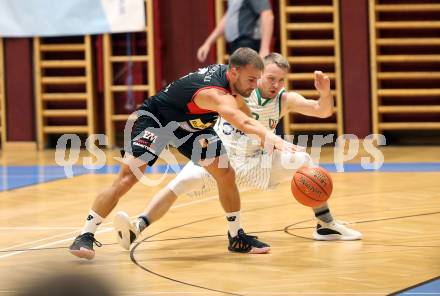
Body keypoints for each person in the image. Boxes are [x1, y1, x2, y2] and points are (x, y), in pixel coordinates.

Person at [113, 53, 362, 252]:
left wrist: (325, 93)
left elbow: (322, 111)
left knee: (305, 161)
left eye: (281, 80)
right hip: (222, 158)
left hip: (258, 162)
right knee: (179, 183)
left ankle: (325, 225)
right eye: (271, 78)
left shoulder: (284, 99)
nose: (276, 85)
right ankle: (137, 226)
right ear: (258, 75)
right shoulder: (236, 91)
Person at [69, 48, 302, 260]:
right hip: (158, 120)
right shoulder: (214, 93)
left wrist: (262, 130)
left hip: (193, 127)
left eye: (256, 79)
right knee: (129, 175)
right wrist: (269, 136)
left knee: (225, 173)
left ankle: (236, 236)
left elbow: (244, 110)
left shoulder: (234, 85)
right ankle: (85, 234)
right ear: (234, 72)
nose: (254, 85)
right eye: (251, 80)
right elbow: (240, 119)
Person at [197, 0, 274, 62]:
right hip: (236, 45)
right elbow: (228, 18)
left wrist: (264, 48)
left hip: (248, 44)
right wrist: (207, 43)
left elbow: (267, 16)